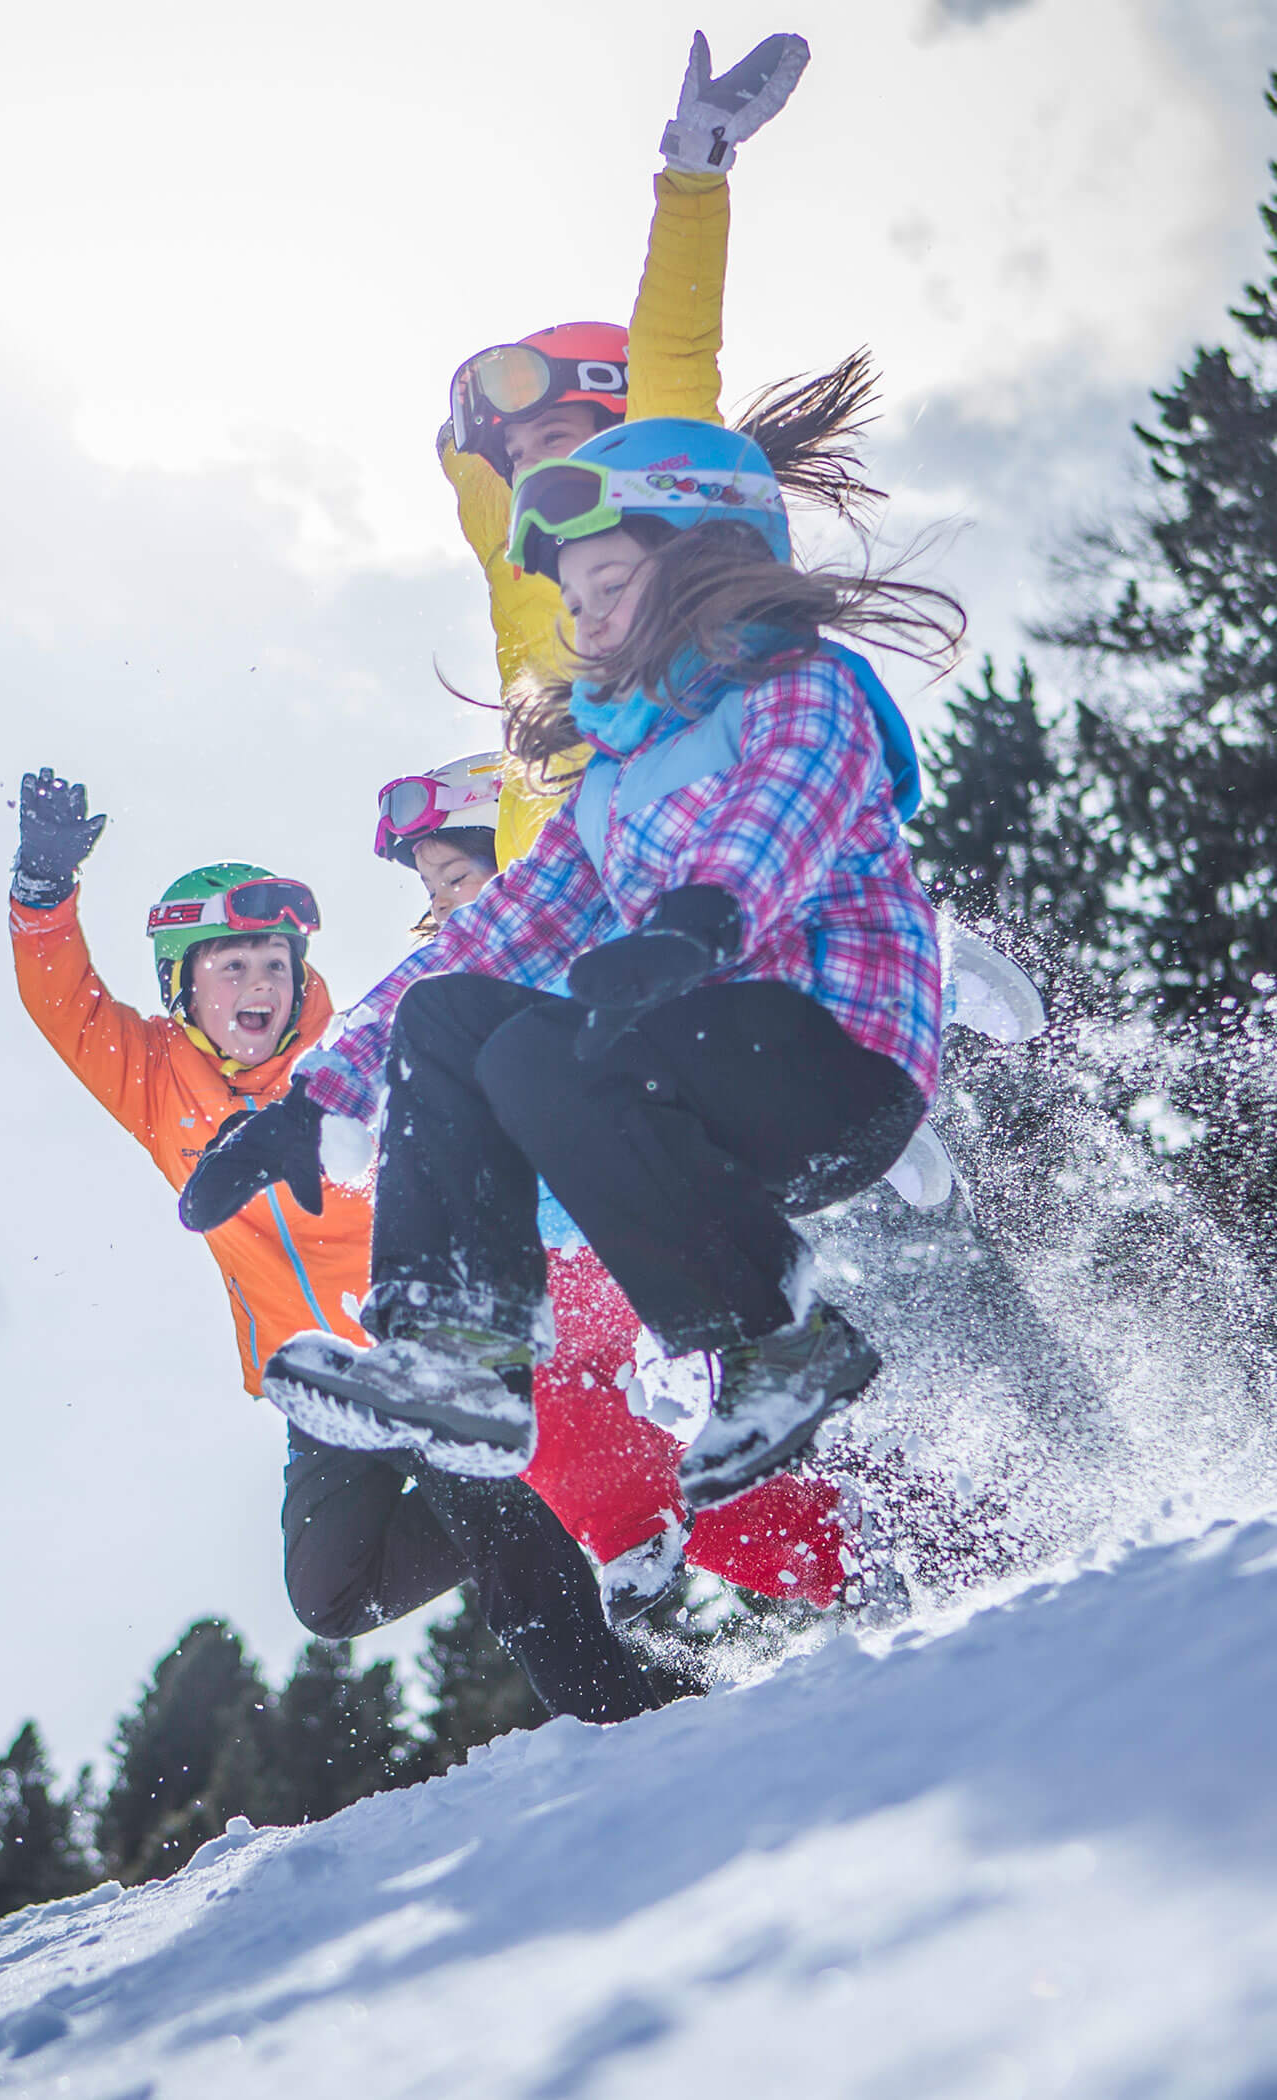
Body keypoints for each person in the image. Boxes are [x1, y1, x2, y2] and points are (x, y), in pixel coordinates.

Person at [180, 413, 964, 1513]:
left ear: (705, 558)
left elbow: (780, 810)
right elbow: (490, 932)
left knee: (549, 1050)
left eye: (608, 585)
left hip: (834, 1059)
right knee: (459, 1015)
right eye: (576, 601)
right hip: (692, 1083)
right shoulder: (608, 781)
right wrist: (317, 1095)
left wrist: (695, 922)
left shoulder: (800, 689)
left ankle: (775, 1341)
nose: (586, 622)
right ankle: (459, 1353)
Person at [9, 769, 656, 1723]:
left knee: (499, 1533)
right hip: (316, 1389)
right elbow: (64, 1006)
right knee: (331, 1597)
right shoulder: (154, 1083)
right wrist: (40, 894)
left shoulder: (356, 1050)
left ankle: (622, 1716)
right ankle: (539, 1497)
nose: (258, 984)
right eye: (230, 965)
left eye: (274, 962)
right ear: (181, 982)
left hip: (422, 1353)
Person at [375, 751, 851, 1617]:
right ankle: (831, 1557)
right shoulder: (454, 986)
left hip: (640, 1230)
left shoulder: (588, 940)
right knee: (681, 1477)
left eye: (456, 875)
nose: (443, 903)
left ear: (514, 851)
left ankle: (872, 1532)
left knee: (572, 1372)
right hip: (570, 1252)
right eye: (432, 890)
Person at [439, 28, 812, 862]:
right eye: (519, 452)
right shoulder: (520, 556)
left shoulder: (669, 518)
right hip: (543, 885)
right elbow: (477, 483)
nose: (531, 465)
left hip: (684, 856)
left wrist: (693, 175)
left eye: (555, 438)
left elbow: (673, 355)